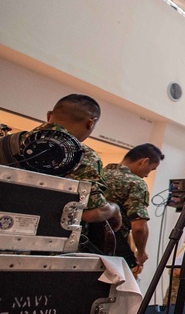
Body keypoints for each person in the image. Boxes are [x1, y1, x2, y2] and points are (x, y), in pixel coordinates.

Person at [23, 95, 122, 239]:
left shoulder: (8, 142)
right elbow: (92, 212)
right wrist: (114, 209)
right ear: (91, 123)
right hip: (46, 245)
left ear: (49, 115)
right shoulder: (81, 154)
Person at [104, 143, 163, 274]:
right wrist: (141, 252)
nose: (147, 175)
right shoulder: (135, 183)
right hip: (111, 249)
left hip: (83, 244)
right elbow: (138, 227)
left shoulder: (99, 174)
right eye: (151, 169)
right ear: (144, 161)